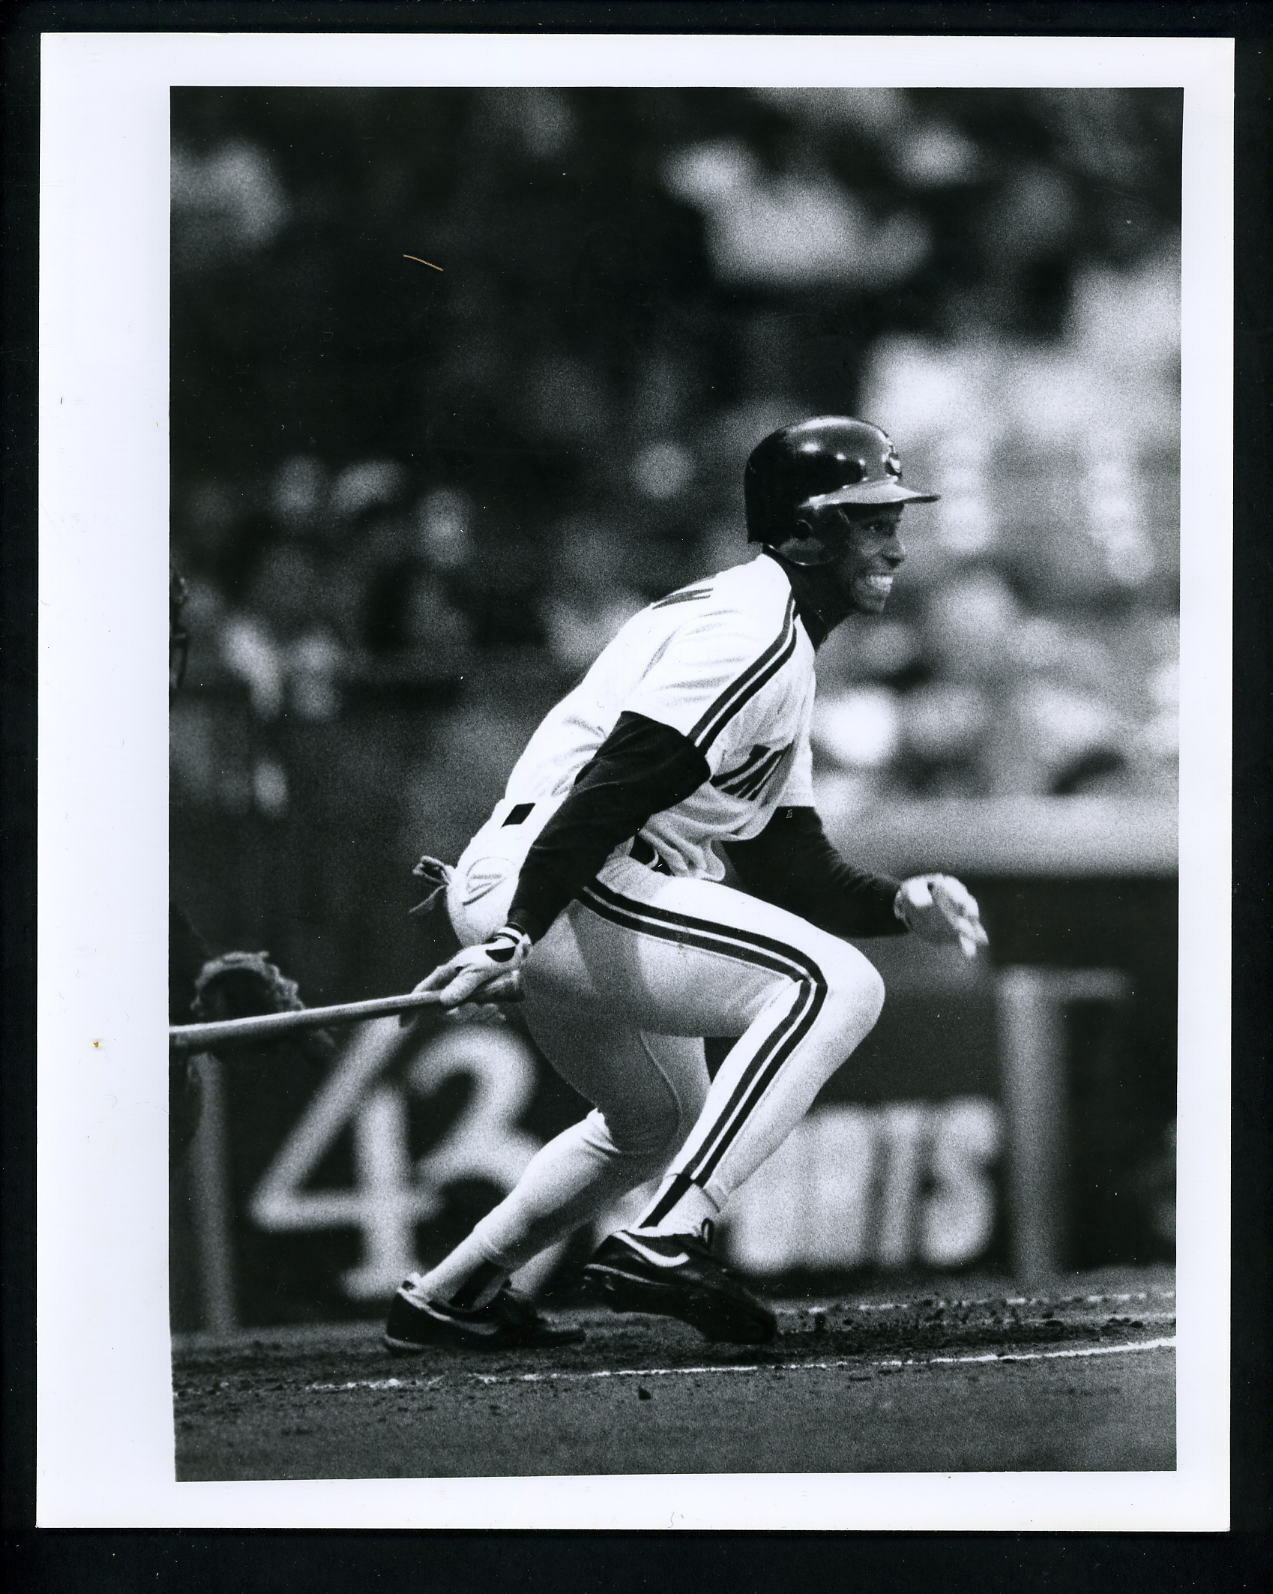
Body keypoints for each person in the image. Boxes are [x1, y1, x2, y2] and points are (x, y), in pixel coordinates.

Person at [383, 417, 988, 1354]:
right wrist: (515, 935)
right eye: (868, 520)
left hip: (563, 882)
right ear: (804, 532)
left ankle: (452, 1292)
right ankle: (670, 1236)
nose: (894, 543)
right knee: (830, 986)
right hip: (567, 873)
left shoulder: (779, 638)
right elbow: (608, 790)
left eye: (891, 519)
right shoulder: (745, 631)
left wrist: (895, 905)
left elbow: (786, 858)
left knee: (655, 1119)